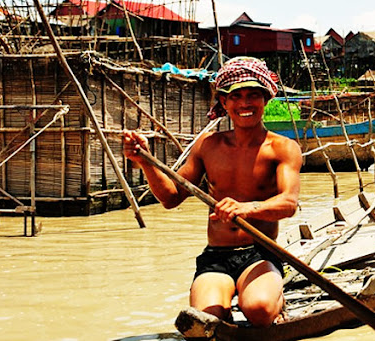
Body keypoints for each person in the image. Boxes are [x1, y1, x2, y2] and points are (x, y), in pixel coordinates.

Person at [122, 57, 302, 327]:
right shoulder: (209, 146)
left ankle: (272, 297)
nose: (244, 104)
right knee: (207, 320)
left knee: (259, 311)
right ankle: (226, 308)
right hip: (216, 256)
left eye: (253, 95)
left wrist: (246, 207)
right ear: (224, 102)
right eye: (235, 96)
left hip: (260, 253)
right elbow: (171, 197)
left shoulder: (283, 148)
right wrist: (145, 161)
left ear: (266, 99)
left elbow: (289, 204)